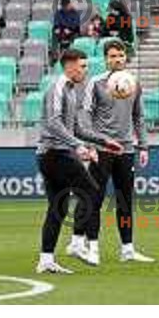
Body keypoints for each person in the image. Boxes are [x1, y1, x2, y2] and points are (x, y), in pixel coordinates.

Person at [35, 49, 124, 274]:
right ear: (70, 66)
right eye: (82, 66)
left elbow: (77, 128)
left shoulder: (72, 91)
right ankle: (76, 243)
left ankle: (46, 259)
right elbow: (54, 124)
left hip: (55, 153)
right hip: (55, 153)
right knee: (92, 192)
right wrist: (78, 146)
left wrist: (104, 141)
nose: (85, 71)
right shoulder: (57, 87)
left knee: (58, 207)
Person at [67, 39, 154, 265]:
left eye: (121, 55)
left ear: (126, 57)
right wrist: (88, 144)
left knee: (125, 201)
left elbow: (138, 116)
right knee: (94, 198)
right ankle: (93, 247)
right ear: (106, 59)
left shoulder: (134, 82)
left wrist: (143, 145)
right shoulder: (95, 83)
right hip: (102, 149)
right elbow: (85, 115)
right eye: (113, 56)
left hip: (126, 150)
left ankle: (127, 249)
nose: (117, 59)